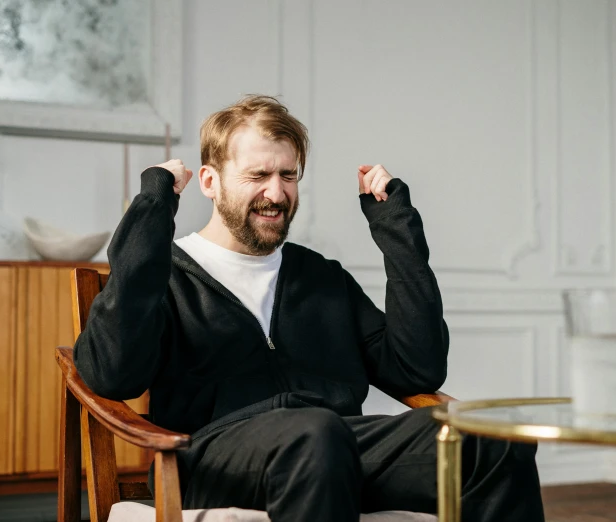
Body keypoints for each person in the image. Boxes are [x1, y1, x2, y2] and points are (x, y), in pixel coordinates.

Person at [73, 94, 545, 522]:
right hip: (206, 458)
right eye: (257, 175)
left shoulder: (321, 278)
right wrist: (154, 207)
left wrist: (396, 230)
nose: (276, 194)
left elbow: (417, 369)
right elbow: (112, 375)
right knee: (317, 433)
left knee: (494, 439)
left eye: (288, 175)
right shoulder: (167, 274)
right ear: (210, 182)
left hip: (335, 445)